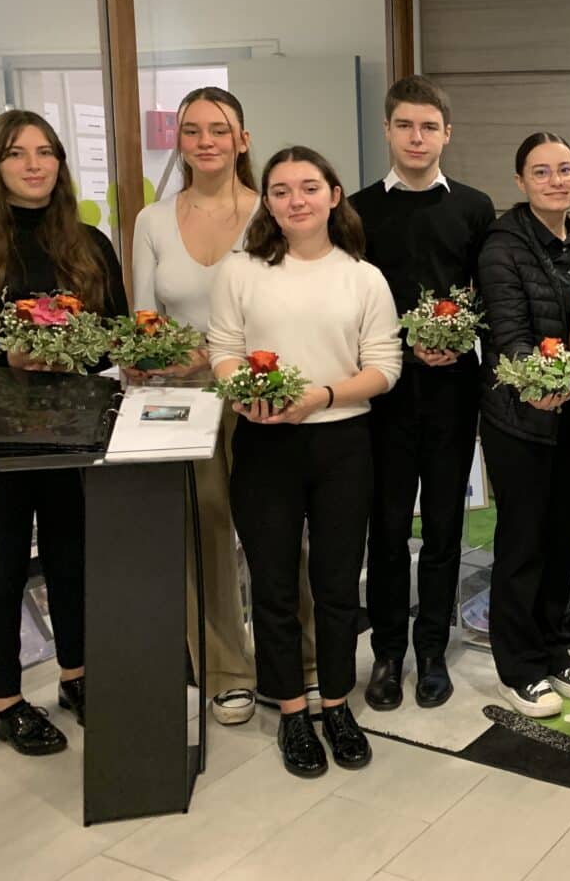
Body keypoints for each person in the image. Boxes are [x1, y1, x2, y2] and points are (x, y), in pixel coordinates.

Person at [208, 146, 401, 778]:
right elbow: (224, 350)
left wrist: (320, 396)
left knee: (338, 585)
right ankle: (292, 710)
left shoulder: (363, 277)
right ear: (266, 201)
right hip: (264, 442)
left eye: (309, 187)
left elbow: (384, 368)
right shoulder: (240, 271)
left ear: (334, 196)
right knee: (272, 584)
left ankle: (337, 703)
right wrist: (246, 395)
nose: (296, 200)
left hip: (342, 443)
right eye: (282, 190)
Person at [130, 85, 318, 727]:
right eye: (192, 130)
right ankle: (226, 671)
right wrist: (158, 357)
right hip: (181, 402)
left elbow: (294, 307)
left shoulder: (272, 211)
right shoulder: (152, 220)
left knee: (278, 533)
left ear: (243, 139)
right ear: (178, 141)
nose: (205, 141)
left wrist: (216, 356)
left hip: (262, 396)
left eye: (219, 129)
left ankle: (303, 659)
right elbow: (145, 318)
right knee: (203, 534)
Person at [0, 111, 127, 755]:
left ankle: (77, 677)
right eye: (16, 153)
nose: (33, 164)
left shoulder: (89, 243)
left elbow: (113, 333)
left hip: (72, 424)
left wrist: (70, 354)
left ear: (59, 162)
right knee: (1, 566)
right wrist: (5, 354)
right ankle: (6, 702)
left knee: (73, 557)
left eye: (45, 152)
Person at [349, 76, 496, 712]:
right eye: (405, 125)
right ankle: (387, 651)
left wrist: (461, 342)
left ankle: (432, 649)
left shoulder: (474, 207)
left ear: (446, 134)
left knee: (442, 528)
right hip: (380, 395)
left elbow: (489, 297)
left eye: (429, 127)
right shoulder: (356, 211)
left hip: (451, 394)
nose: (417, 137)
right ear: (387, 130)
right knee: (385, 530)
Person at [476, 132, 570, 717]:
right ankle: (518, 665)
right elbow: (510, 334)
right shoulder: (502, 245)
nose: (556, 181)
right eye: (542, 171)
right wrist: (541, 383)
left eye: (565, 169)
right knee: (523, 542)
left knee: (561, 538)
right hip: (520, 419)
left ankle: (553, 647)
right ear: (521, 182)